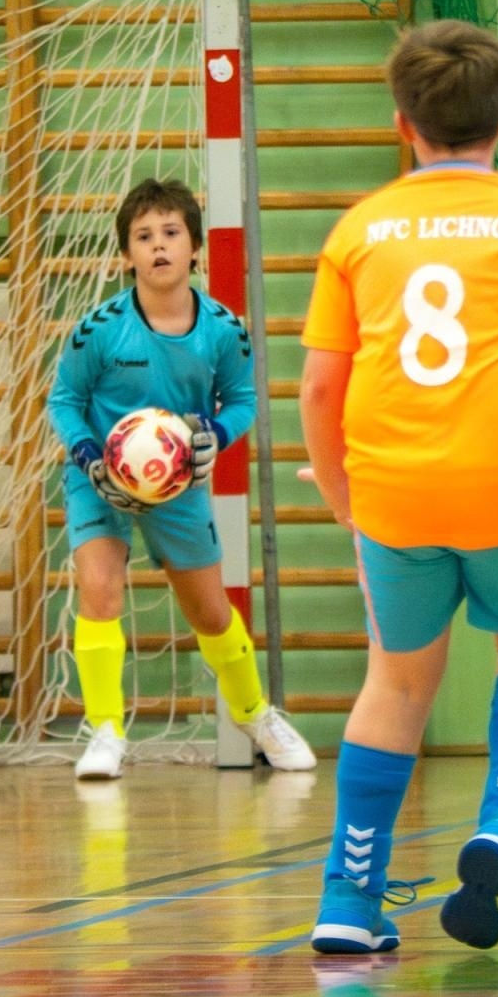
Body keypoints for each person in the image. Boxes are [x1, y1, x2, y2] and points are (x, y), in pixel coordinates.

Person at [299, 20, 498, 953]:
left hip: (394, 491)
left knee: (396, 680)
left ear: (403, 125)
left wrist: (346, 498)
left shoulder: (359, 229)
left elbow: (318, 384)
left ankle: (349, 903)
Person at [47, 177, 315, 781]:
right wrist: (91, 455)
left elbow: (243, 398)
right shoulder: (99, 328)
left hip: (178, 487)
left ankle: (255, 714)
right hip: (99, 480)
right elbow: (63, 399)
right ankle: (106, 733)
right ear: (127, 255)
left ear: (194, 247)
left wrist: (213, 439)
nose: (158, 246)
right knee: (99, 591)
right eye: (144, 237)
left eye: (171, 233)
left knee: (212, 615)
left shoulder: (223, 329)